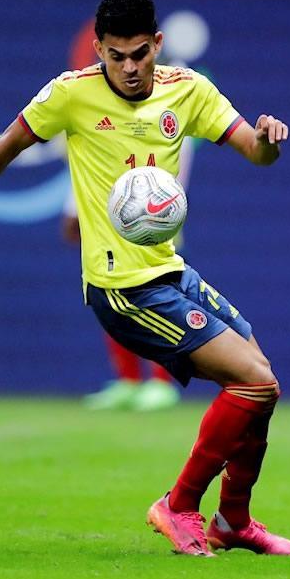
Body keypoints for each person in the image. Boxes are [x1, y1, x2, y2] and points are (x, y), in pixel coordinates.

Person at [0, 0, 290, 557]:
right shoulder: (70, 94)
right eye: (115, 56)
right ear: (100, 50)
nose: (129, 68)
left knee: (260, 381)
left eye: (139, 54)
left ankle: (233, 520)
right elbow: (8, 143)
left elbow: (253, 149)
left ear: (157, 44)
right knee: (255, 381)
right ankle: (179, 506)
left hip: (170, 270)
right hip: (121, 287)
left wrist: (270, 140)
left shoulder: (189, 91)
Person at [59, 144, 186, 413]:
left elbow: (174, 150)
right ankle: (129, 381)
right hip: (107, 216)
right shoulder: (83, 108)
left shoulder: (165, 108)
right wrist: (74, 205)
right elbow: (91, 159)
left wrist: (166, 205)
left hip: (149, 212)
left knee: (155, 294)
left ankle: (161, 383)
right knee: (113, 292)